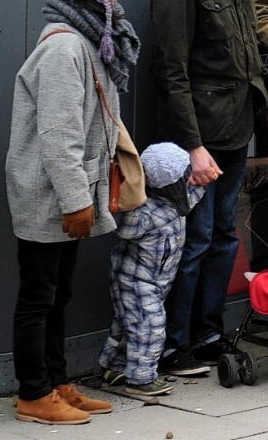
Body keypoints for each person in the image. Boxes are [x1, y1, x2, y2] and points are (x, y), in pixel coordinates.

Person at [7, 0, 138, 425]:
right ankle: (32, 393)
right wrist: (76, 201)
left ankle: (57, 382)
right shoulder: (65, 50)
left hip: (69, 191)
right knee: (38, 296)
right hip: (50, 195)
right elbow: (59, 137)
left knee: (58, 292)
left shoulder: (86, 38)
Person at [150, 0, 268, 377]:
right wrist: (193, 147)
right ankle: (175, 346)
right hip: (200, 139)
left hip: (236, 127)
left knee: (224, 236)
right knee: (194, 242)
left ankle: (210, 333)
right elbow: (170, 72)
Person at [98, 143, 202, 397]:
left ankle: (114, 367)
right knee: (150, 324)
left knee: (128, 323)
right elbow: (122, 226)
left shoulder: (181, 201)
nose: (189, 179)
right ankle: (140, 378)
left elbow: (198, 190)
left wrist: (206, 172)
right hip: (134, 278)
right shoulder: (143, 212)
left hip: (158, 278)